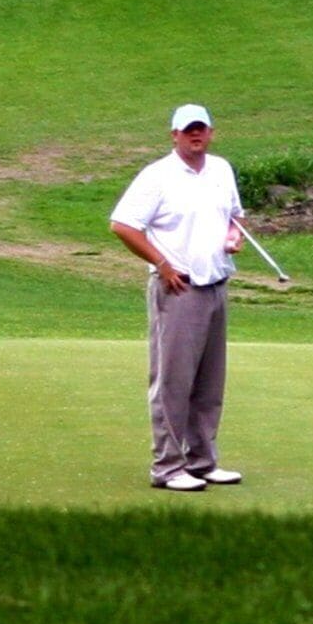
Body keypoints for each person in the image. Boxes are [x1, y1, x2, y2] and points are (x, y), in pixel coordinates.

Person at [107, 103, 248, 491]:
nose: (195, 135)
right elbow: (122, 225)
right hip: (179, 289)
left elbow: (235, 217)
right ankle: (167, 467)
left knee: (209, 382)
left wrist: (233, 237)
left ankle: (202, 461)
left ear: (211, 132)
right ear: (174, 135)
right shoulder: (158, 176)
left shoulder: (220, 169)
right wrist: (163, 264)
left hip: (217, 284)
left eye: (201, 129)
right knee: (173, 381)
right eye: (188, 131)